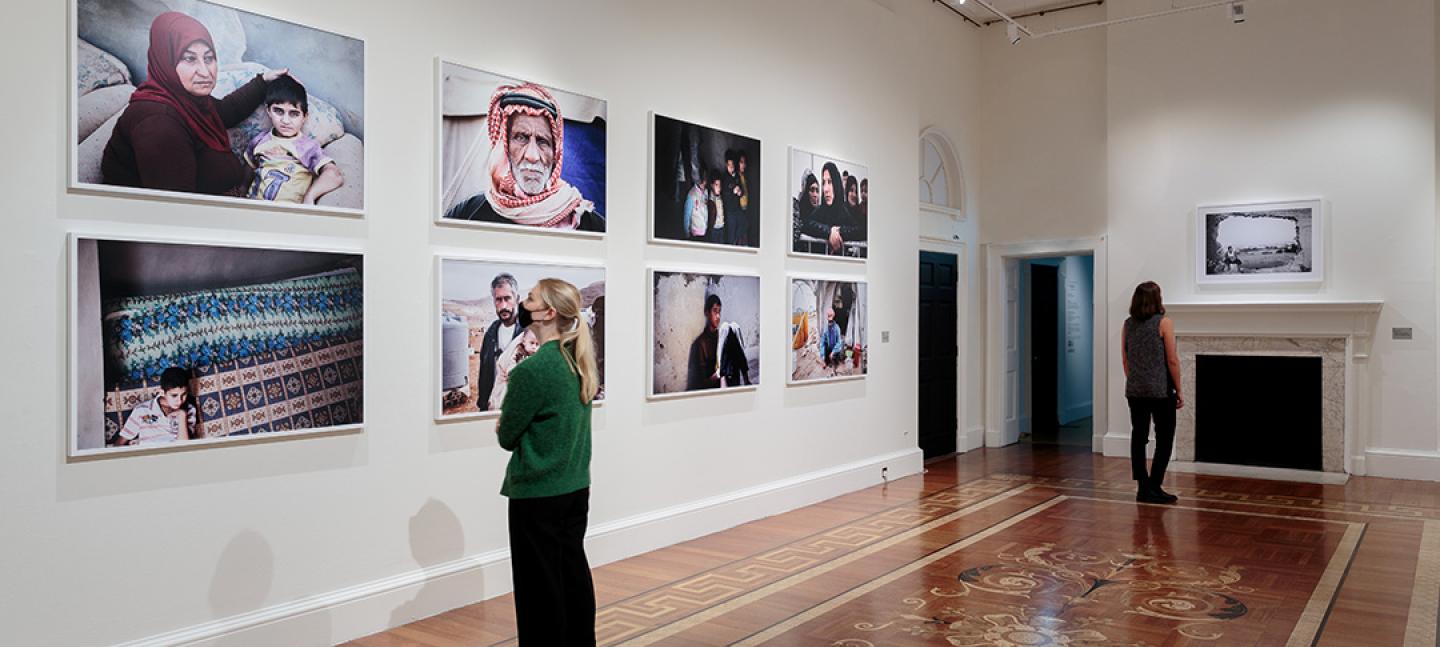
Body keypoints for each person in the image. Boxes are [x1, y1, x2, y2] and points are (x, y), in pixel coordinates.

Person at [496, 278, 601, 645]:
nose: (524, 302)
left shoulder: (531, 372)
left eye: (530, 298)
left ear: (548, 312)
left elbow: (507, 435)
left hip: (537, 495)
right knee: (571, 574)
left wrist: (506, 423)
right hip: (575, 488)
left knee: (537, 591)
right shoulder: (579, 364)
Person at [101, 12, 291, 196]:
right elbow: (176, 211)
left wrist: (264, 81)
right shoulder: (158, 124)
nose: (205, 71)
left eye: (208, 58)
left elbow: (222, 112)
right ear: (165, 59)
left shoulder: (184, 98)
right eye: (190, 58)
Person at [445, 83, 605, 232]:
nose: (533, 156)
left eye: (543, 141)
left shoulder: (585, 221)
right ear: (504, 146)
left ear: (555, 153)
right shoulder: (469, 214)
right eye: (521, 138)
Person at [1122, 281, 1182, 505]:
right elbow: (1172, 360)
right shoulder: (1164, 323)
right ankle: (1154, 485)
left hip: (1135, 391)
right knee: (1164, 438)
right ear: (1157, 299)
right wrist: (1179, 389)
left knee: (1139, 437)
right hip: (1160, 391)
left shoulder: (1128, 324)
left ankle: (1142, 486)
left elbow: (1125, 359)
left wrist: (1136, 381)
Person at [245, 75, 344, 204]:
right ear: (268, 110)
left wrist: (310, 196)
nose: (285, 121)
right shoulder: (259, 140)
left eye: (294, 113)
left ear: (304, 116)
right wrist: (242, 189)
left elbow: (334, 175)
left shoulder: (308, 147)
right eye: (278, 111)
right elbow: (249, 166)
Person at [113, 367, 196, 446]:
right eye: (174, 395)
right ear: (162, 392)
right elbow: (120, 442)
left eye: (184, 394)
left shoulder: (189, 409)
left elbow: (184, 447)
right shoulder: (142, 410)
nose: (179, 400)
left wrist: (182, 415)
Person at [796, 162, 866, 256]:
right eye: (824, 182)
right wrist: (829, 232)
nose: (825, 189)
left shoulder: (844, 210)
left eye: (830, 182)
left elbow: (861, 230)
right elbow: (805, 223)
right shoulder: (820, 210)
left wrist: (839, 231)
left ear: (836, 184)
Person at [476, 273, 524, 412]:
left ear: (517, 299)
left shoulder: (528, 334)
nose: (503, 305)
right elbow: (484, 374)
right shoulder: (490, 334)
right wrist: (483, 405)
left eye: (507, 298)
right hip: (494, 406)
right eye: (498, 300)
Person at [488, 328, 540, 410]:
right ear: (523, 341)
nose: (534, 347)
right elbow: (511, 371)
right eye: (532, 343)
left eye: (537, 344)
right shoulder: (517, 354)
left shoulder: (537, 356)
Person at [686, 294, 723, 390]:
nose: (718, 316)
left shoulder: (722, 337)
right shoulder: (700, 344)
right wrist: (718, 374)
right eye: (715, 311)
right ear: (707, 313)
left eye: (719, 312)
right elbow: (701, 382)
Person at [683, 169, 709, 242]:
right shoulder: (692, 194)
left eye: (705, 179)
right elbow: (687, 215)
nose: (704, 182)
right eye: (703, 180)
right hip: (695, 232)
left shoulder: (706, 192)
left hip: (704, 229)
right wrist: (687, 232)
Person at [704, 170, 727, 245]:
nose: (719, 187)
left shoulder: (721, 196)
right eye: (716, 185)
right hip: (714, 229)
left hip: (722, 227)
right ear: (712, 185)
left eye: (720, 185)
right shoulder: (710, 198)